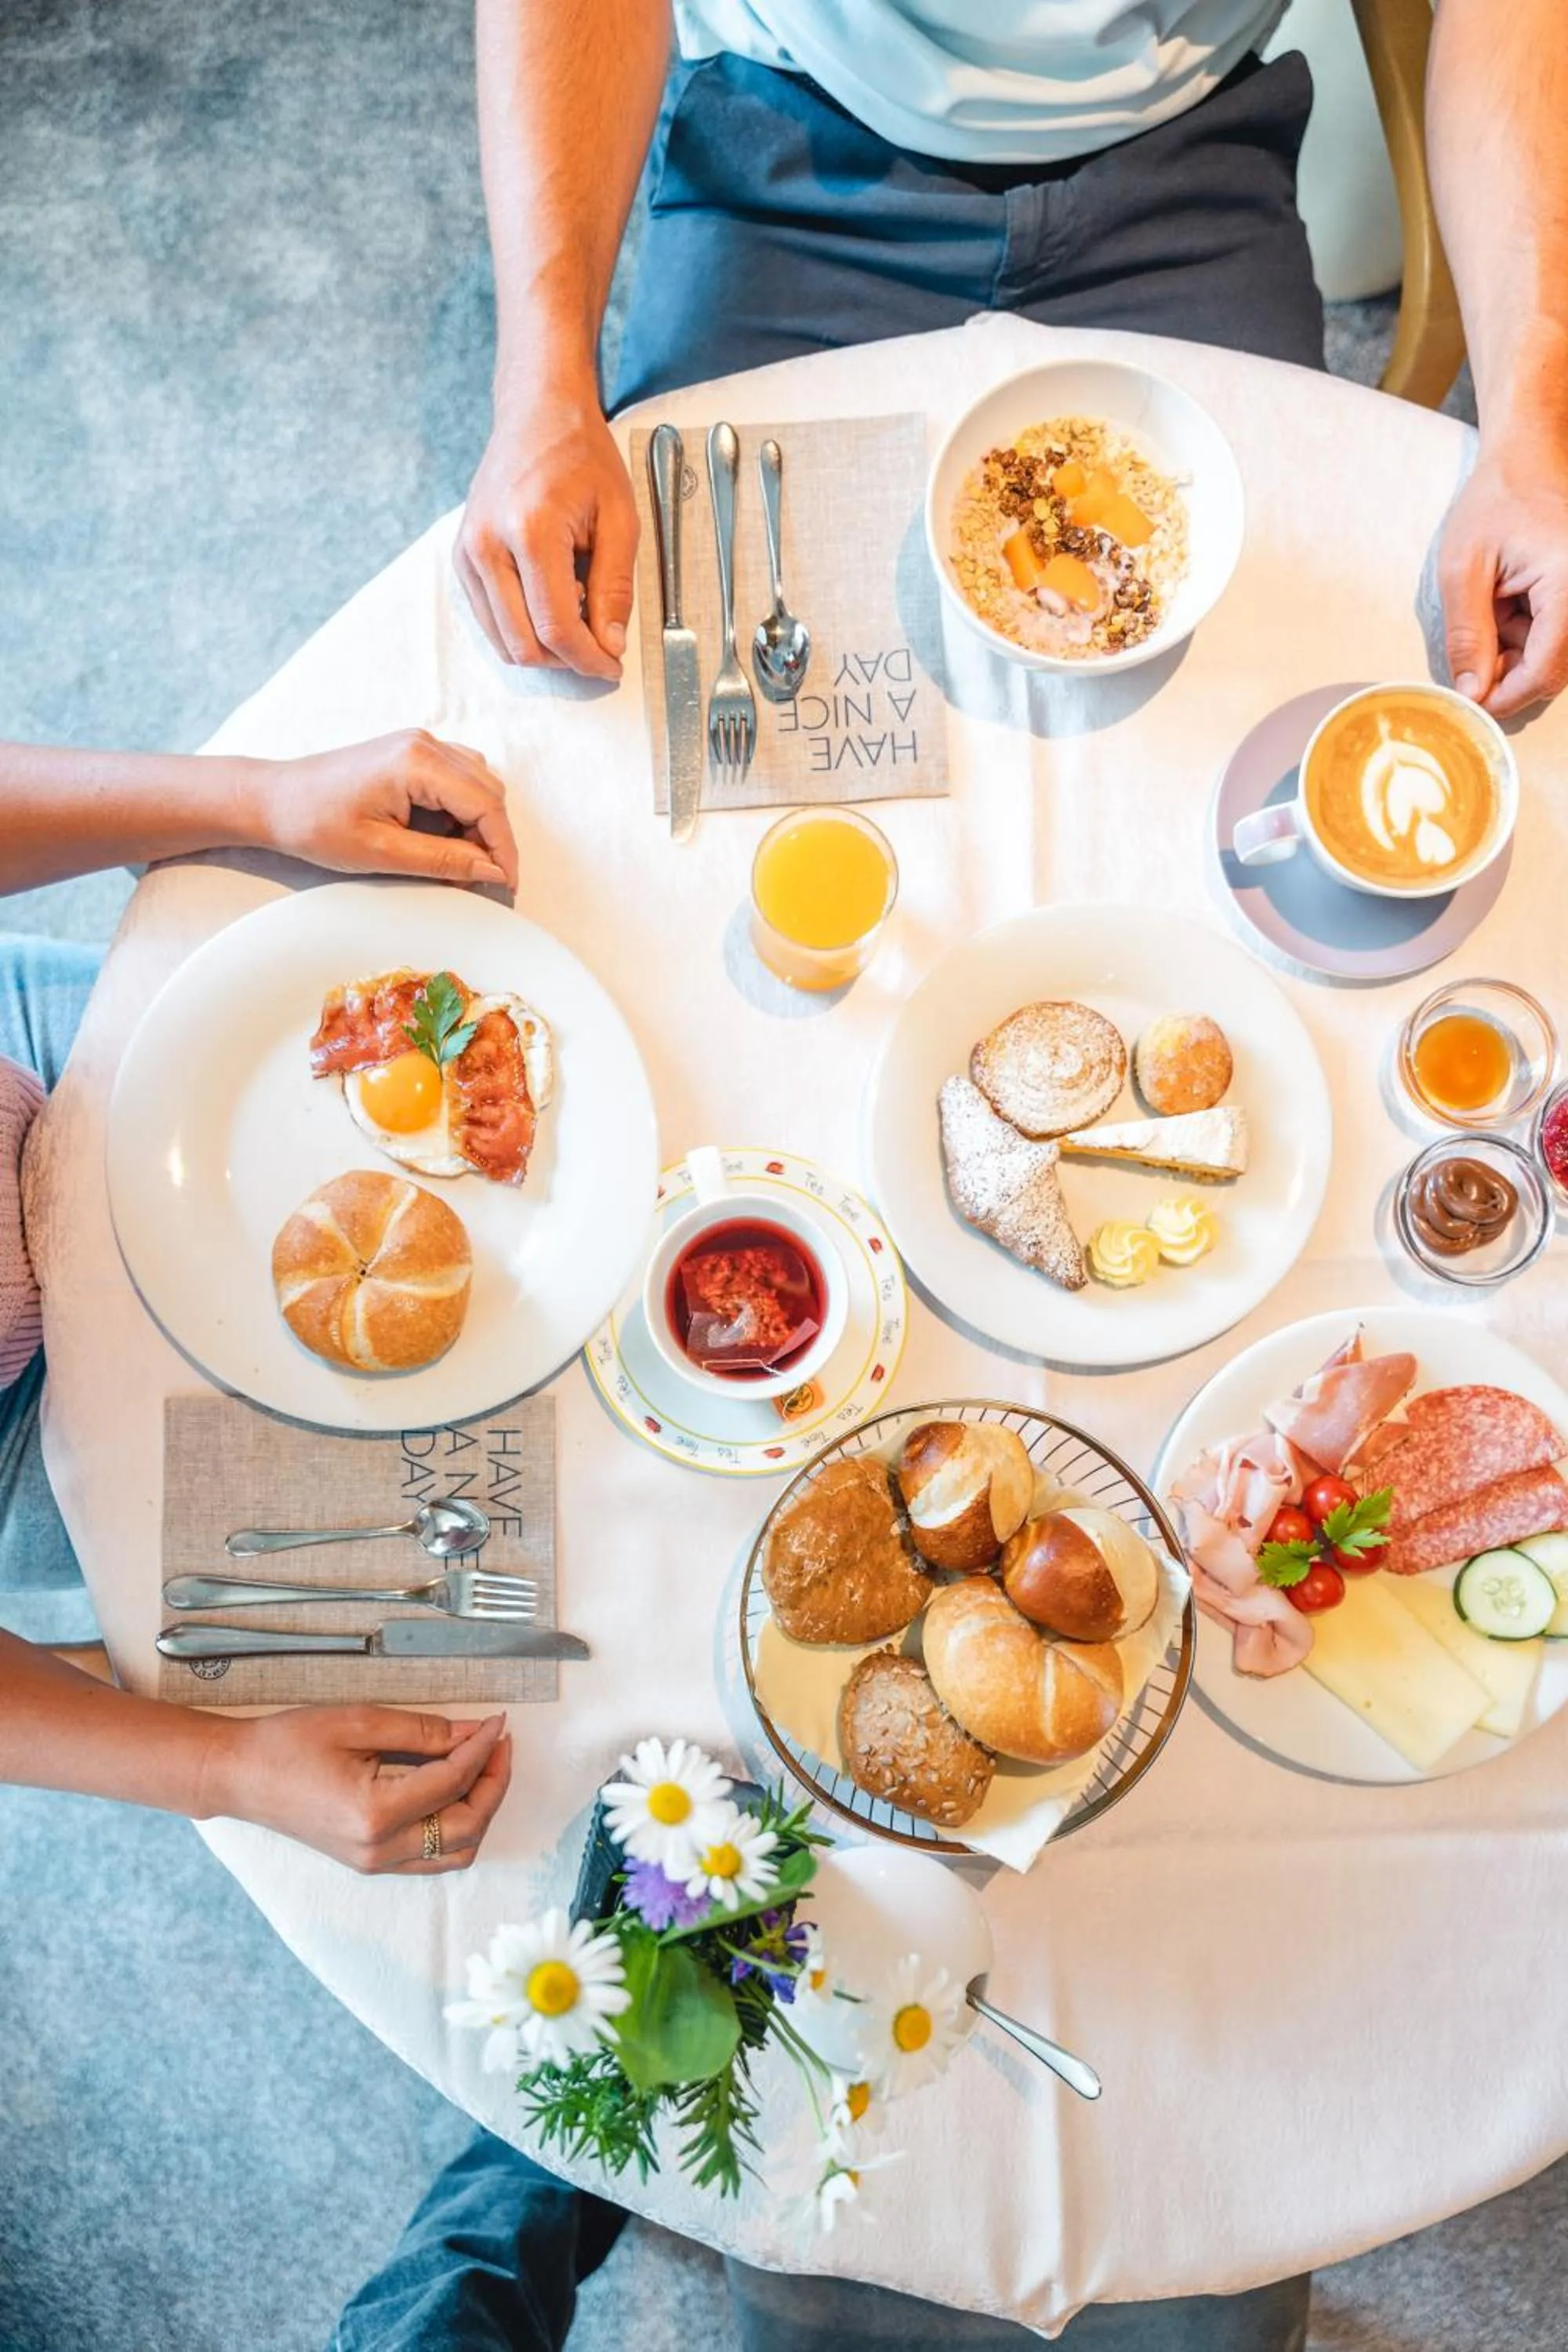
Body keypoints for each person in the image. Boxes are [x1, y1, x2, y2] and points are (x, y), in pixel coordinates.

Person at [456, 0, 1568, 722]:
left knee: (1275, 700)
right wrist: (543, 388)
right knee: (679, 695)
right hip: (794, 134)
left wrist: (1533, 424)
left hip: (1179, 144)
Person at [0, 726, 519, 1873]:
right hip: (19, 1446)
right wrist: (222, 1771)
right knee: (451, 1532)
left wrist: (264, 797)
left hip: (21, 1054)